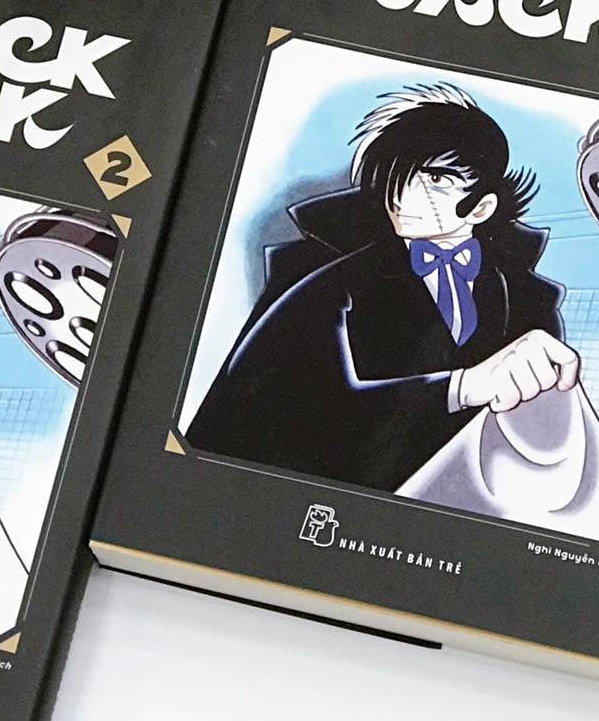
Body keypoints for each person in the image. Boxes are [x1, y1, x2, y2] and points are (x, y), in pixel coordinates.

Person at [188, 84, 577, 492]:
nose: (403, 197)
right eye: (397, 175)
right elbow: (282, 414)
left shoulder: (527, 300)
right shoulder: (331, 286)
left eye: (437, 180)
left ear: (482, 207)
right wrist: (464, 386)